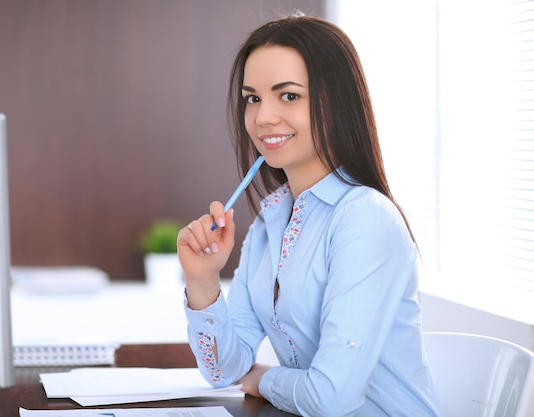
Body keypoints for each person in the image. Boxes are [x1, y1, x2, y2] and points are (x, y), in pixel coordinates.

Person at [177, 13, 443, 417]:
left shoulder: (365, 221)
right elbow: (223, 369)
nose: (263, 117)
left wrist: (260, 378)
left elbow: (329, 398)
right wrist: (202, 280)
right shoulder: (269, 223)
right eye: (253, 98)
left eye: (288, 96)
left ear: (336, 102)